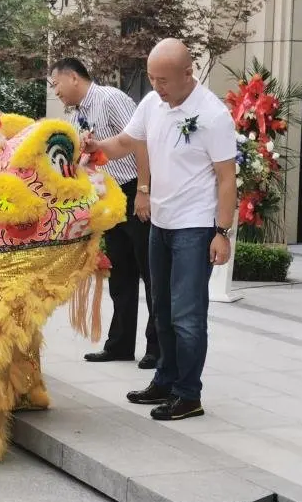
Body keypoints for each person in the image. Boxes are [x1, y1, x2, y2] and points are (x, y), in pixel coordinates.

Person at [81, 38, 237, 420]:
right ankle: (164, 381)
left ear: (189, 74)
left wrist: (222, 231)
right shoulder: (152, 104)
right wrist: (93, 148)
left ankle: (188, 394)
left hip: (195, 227)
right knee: (161, 309)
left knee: (187, 314)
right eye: (152, 78)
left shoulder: (213, 115)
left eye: (163, 79)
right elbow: (124, 142)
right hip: (160, 223)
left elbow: (226, 179)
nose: (156, 87)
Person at [50, 57, 159, 369]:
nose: (56, 91)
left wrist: (143, 189)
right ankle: (120, 344)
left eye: (56, 84)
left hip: (132, 190)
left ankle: (157, 348)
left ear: (73, 77)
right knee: (121, 272)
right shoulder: (76, 115)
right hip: (107, 198)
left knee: (149, 273)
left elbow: (140, 143)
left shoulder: (111, 99)